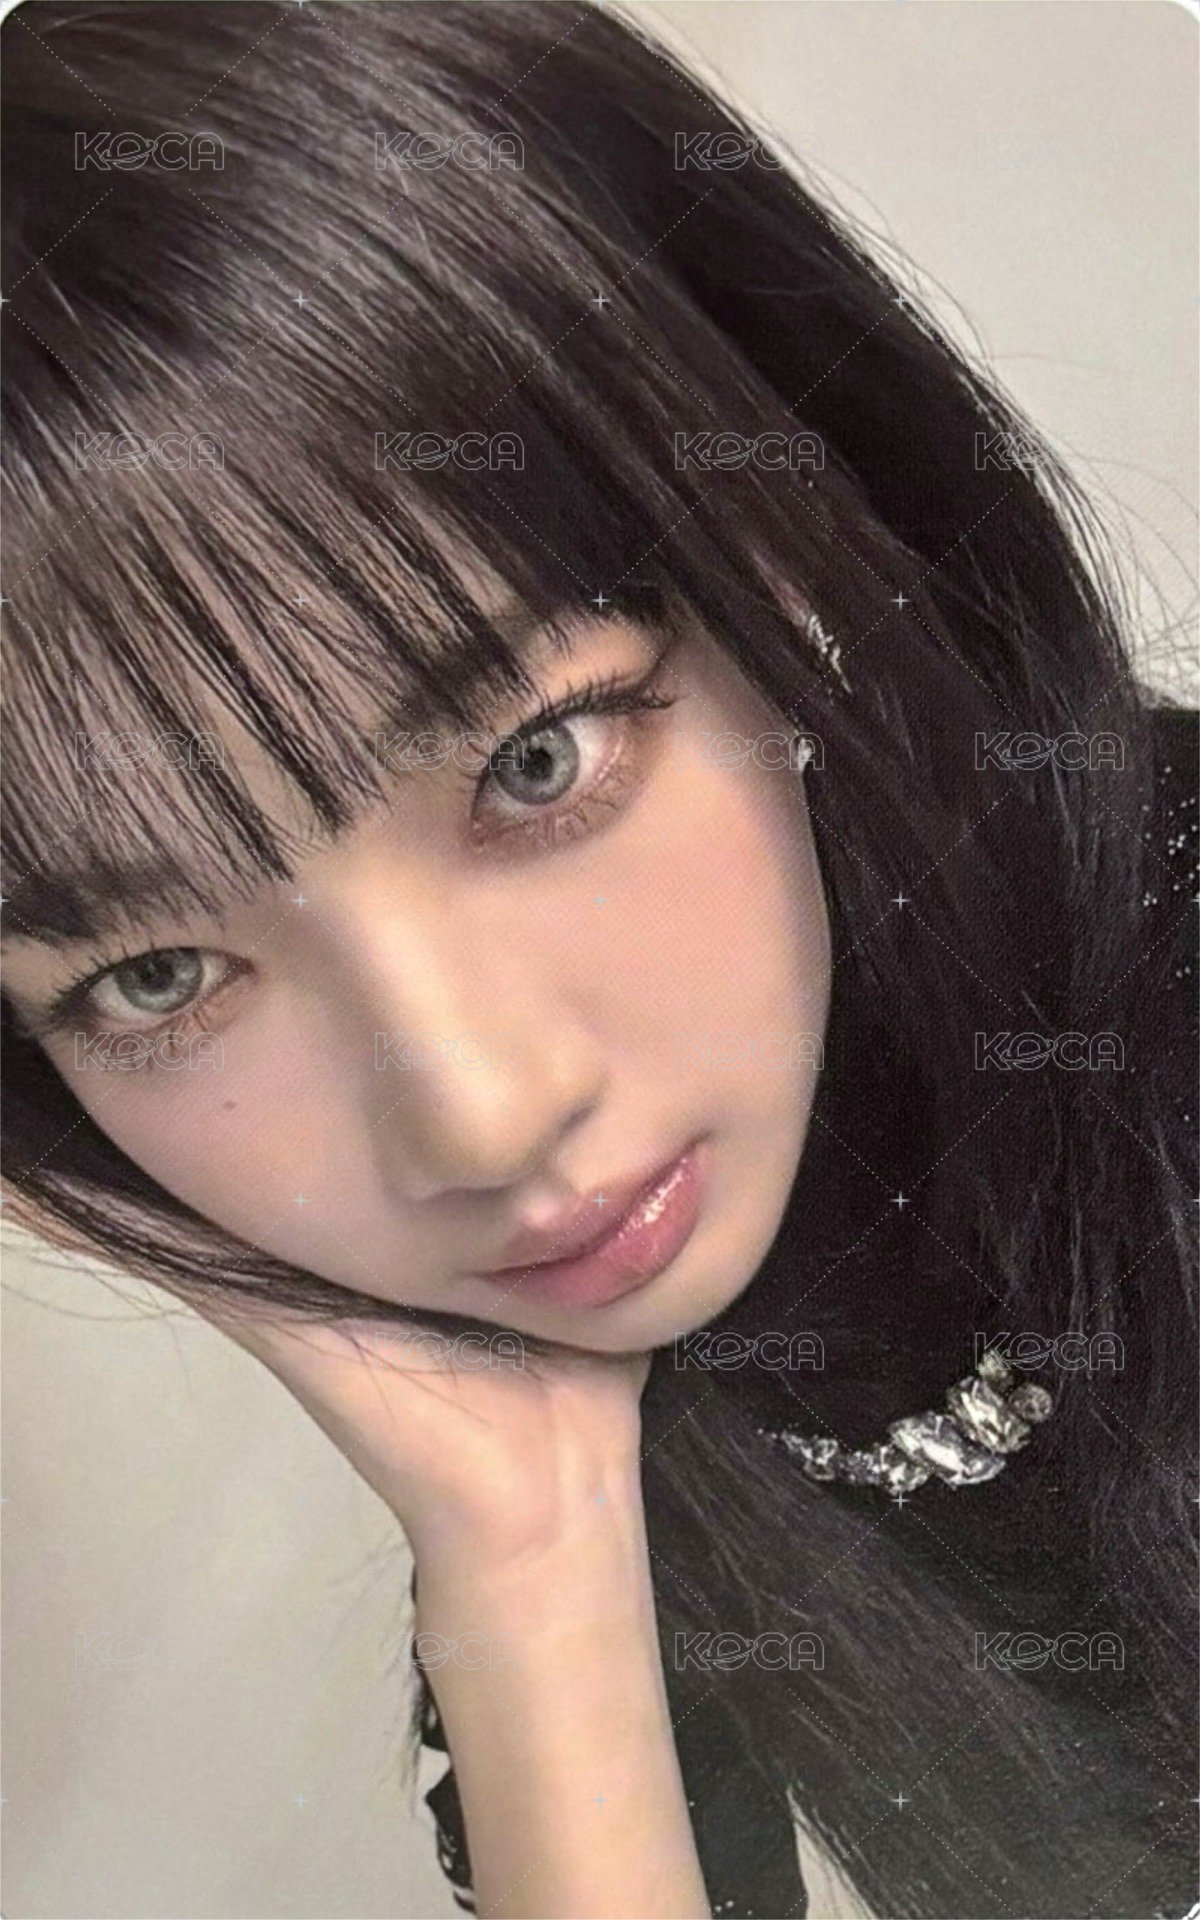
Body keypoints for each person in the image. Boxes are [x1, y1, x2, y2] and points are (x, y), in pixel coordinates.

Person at [2, 4, 1195, 1916]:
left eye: (533, 763)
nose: (482, 1119)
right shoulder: (595, 1400)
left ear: (785, 550)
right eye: (153, 977)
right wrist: (530, 1547)